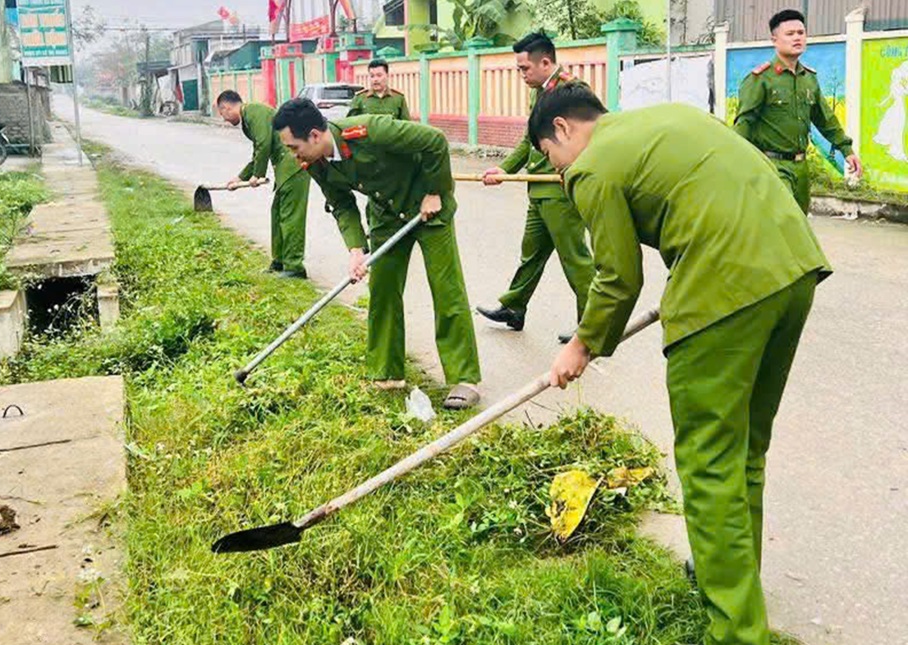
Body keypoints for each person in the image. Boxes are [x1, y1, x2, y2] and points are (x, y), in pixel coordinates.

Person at [534, 85, 831, 645]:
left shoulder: (592, 166)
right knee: (743, 449)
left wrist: (580, 345)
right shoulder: (668, 117)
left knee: (708, 459)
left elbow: (618, 278)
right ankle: (732, 581)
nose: (558, 171)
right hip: (795, 269)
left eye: (551, 157)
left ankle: (737, 632)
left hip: (725, 288)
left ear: (564, 130)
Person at [272, 98, 482, 410]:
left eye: (293, 146)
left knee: (446, 288)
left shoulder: (371, 131)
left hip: (428, 208)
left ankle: (464, 378)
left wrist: (435, 191)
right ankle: (387, 372)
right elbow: (342, 204)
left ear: (315, 135)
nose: (292, 154)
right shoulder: (314, 163)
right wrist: (356, 250)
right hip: (386, 215)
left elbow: (434, 141)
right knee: (382, 290)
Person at [475, 33, 595, 343]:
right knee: (531, 253)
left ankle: (593, 326)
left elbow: (591, 134)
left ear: (546, 62)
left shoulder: (573, 91)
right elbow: (531, 138)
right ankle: (514, 307)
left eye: (525, 68)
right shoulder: (541, 90)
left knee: (575, 259)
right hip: (537, 188)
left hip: (560, 188)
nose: (522, 75)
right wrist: (505, 169)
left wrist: (575, 174)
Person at [734, 9, 863, 213]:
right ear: (775, 40)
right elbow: (744, 124)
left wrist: (846, 150)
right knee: (782, 220)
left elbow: (825, 119)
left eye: (801, 33)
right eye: (790, 34)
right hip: (772, 166)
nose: (797, 38)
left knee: (800, 222)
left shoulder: (808, 78)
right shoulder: (760, 79)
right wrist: (737, 166)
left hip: (801, 168)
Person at [216, 90, 311, 279]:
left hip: (294, 163)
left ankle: (295, 266)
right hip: (284, 165)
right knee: (277, 213)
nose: (225, 119)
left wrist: (257, 175)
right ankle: (280, 261)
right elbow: (258, 150)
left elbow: (264, 143)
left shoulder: (253, 112)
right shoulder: (249, 116)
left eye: (222, 114)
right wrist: (240, 177)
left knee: (291, 217)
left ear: (226, 107)